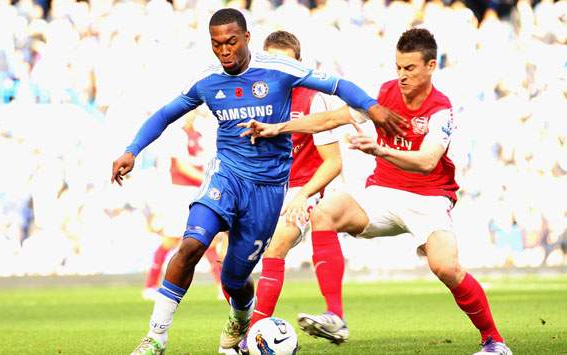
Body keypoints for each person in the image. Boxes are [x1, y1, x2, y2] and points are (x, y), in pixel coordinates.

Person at [110, 8, 405, 355]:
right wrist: (132, 150)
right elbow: (164, 114)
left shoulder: (278, 70)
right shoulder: (208, 80)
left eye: (231, 42)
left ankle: (242, 315)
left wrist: (373, 107)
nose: (224, 51)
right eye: (217, 44)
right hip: (227, 175)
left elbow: (337, 84)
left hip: (268, 190)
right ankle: (156, 337)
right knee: (191, 245)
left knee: (235, 279)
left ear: (247, 38)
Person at [239, 28, 512, 355]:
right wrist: (278, 128)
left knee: (446, 267)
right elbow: (330, 119)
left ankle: (494, 341)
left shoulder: (441, 109)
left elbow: (427, 161)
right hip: (382, 191)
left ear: (430, 66)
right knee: (325, 212)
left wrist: (380, 151)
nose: (402, 75)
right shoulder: (386, 94)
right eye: (398, 67)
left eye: (410, 68)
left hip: (428, 198)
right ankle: (335, 316)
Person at [238, 30, 343, 353]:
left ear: (299, 65)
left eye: (286, 64)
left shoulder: (313, 98)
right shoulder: (252, 100)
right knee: (229, 258)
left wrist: (303, 195)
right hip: (265, 189)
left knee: (278, 244)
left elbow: (333, 162)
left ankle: (255, 332)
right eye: (271, 62)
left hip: (304, 189)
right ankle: (240, 324)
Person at [142, 115, 226, 302]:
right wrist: (207, 179)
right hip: (180, 193)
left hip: (196, 191)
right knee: (170, 240)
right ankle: (150, 285)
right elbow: (181, 166)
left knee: (208, 239)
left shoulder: (199, 133)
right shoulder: (176, 135)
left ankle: (221, 285)